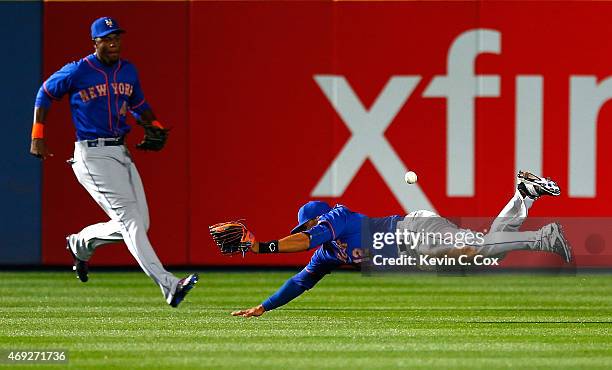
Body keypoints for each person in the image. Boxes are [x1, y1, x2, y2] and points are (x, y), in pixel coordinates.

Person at [228, 171, 572, 317]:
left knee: (480, 251)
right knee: (484, 252)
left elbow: (304, 240)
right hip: (417, 252)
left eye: (307, 224)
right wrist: (265, 306)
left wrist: (261, 248)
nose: (305, 230)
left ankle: (543, 236)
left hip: (413, 230)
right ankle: (523, 195)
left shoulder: (338, 216)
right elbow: (300, 281)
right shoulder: (327, 255)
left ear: (318, 219)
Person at [29, 16, 198, 307]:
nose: (113, 43)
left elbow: (138, 105)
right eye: (107, 38)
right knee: (131, 220)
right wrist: (37, 134)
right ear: (95, 43)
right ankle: (169, 285)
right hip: (92, 154)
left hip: (121, 152)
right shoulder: (78, 71)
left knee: (139, 223)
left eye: (116, 37)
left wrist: (154, 124)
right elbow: (45, 93)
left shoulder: (128, 71)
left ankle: (80, 243)